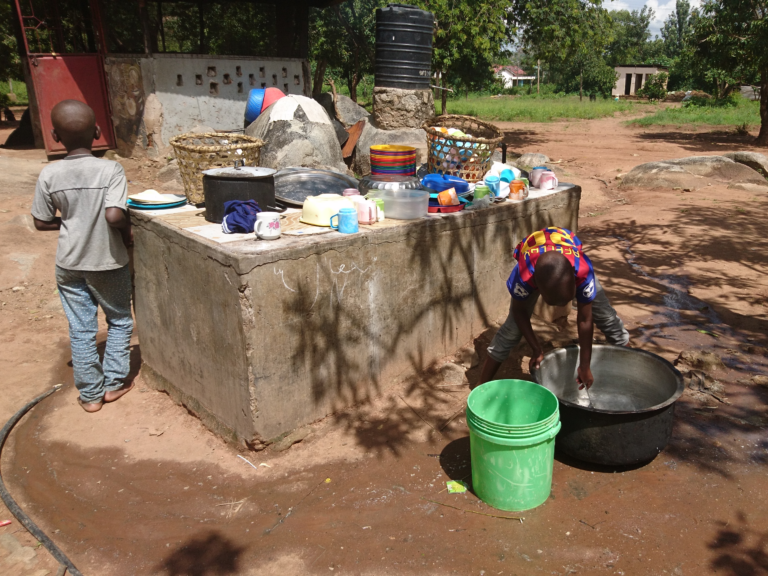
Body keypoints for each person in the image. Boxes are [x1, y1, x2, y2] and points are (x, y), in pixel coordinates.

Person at [31, 100, 134, 413]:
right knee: (118, 320)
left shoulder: (49, 174)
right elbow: (115, 216)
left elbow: (40, 220)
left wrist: (71, 221)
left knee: (81, 327)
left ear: (55, 136)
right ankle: (114, 384)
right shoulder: (110, 169)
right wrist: (129, 232)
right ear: (98, 132)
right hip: (107, 262)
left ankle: (90, 395)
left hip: (69, 264)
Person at [479, 226, 629, 388]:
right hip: (535, 257)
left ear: (575, 279)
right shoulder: (524, 276)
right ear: (536, 286)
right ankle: (480, 386)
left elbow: (585, 319)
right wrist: (536, 349)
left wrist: (585, 365)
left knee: (606, 318)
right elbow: (519, 311)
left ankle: (632, 369)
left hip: (565, 252)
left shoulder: (583, 271)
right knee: (512, 330)